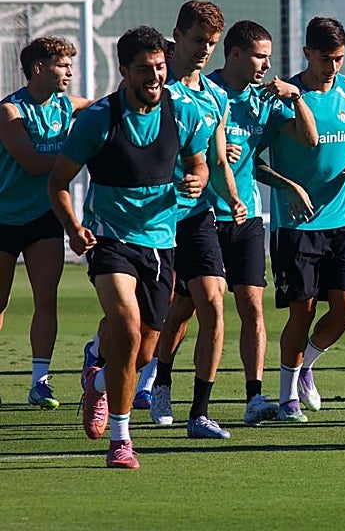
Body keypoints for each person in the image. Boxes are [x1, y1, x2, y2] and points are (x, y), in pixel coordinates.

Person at [48, 26, 208, 469]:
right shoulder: (99, 119)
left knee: (141, 350)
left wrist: (199, 178)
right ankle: (121, 440)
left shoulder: (185, 112)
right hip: (111, 240)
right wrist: (73, 227)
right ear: (124, 71)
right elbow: (58, 183)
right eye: (145, 70)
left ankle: (98, 382)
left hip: (161, 242)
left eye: (160, 67)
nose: (155, 77)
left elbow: (199, 162)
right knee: (126, 324)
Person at [259, 16, 345, 423]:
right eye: (326, 59)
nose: (333, 67)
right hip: (296, 225)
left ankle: (306, 366)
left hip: (342, 219)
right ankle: (287, 397)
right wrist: (288, 185)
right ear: (308, 53)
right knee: (301, 311)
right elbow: (253, 161)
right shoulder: (280, 98)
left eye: (340, 59)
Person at [209, 20, 318, 424]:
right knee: (189, 308)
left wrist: (298, 97)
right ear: (235, 53)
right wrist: (211, 151)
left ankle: (255, 398)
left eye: (269, 56)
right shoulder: (204, 92)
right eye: (259, 55)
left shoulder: (262, 100)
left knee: (252, 306)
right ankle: (157, 381)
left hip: (247, 216)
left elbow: (308, 139)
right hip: (199, 215)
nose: (266, 64)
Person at [145, 1, 246, 440]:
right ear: (177, 36)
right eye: (197, 41)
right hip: (150, 217)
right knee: (146, 321)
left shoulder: (215, 95)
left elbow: (218, 158)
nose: (204, 50)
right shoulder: (152, 87)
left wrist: (234, 198)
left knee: (212, 301)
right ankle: (131, 370)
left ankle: (199, 413)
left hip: (198, 215)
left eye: (211, 43)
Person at [0, 37, 90, 409]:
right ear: (39, 68)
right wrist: (79, 151)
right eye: (62, 64)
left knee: (46, 299)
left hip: (43, 218)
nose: (70, 71)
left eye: (70, 64)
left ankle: (41, 382)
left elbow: (107, 106)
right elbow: (34, 163)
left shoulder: (68, 105)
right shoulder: (9, 111)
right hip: (4, 218)